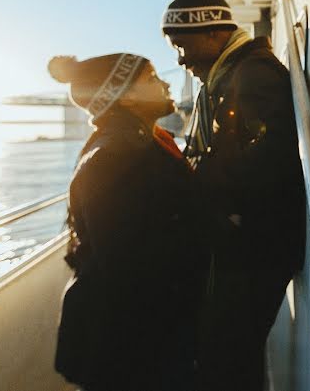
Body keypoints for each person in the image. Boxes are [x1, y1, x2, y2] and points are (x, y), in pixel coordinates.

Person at [161, 0, 305, 391]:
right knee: (226, 355)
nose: (179, 58)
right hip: (243, 247)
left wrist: (204, 187)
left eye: (181, 44)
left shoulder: (253, 76)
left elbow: (270, 165)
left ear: (212, 33)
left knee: (226, 358)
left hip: (252, 253)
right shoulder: (231, 76)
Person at [50, 53, 204, 391]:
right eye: (151, 77)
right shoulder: (113, 158)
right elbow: (125, 264)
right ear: (126, 96)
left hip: (143, 336)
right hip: (132, 347)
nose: (165, 82)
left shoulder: (141, 145)